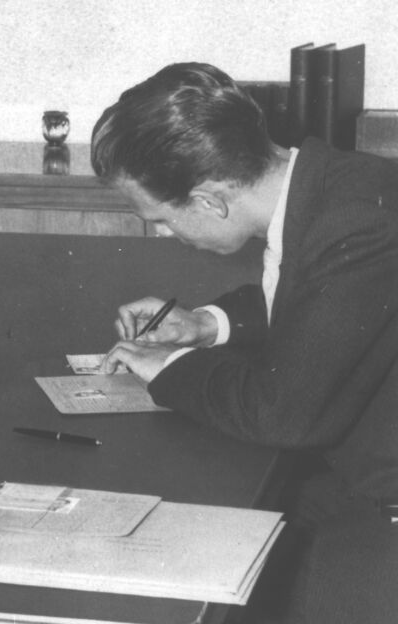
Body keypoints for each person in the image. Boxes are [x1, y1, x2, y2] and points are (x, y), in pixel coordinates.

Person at [94, 62, 398, 623]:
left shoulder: (360, 227)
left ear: (209, 200)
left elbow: (280, 414)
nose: (163, 233)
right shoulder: (332, 186)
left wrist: (168, 365)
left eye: (161, 218)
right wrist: (205, 324)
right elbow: (324, 295)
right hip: (358, 469)